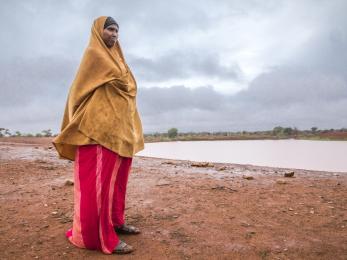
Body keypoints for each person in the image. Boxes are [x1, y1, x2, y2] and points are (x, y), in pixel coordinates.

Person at [52, 16, 145, 254]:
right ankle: (94, 238)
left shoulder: (119, 60)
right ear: (98, 31)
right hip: (95, 133)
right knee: (97, 188)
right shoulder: (95, 56)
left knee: (117, 184)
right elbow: (77, 93)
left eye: (117, 31)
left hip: (118, 133)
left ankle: (115, 222)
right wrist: (77, 122)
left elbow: (127, 91)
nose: (114, 34)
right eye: (110, 29)